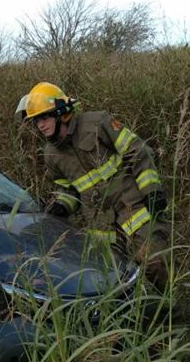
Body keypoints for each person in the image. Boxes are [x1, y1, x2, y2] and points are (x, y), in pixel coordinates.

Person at [16, 82, 170, 290]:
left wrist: (152, 191)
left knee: (155, 264)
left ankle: (172, 307)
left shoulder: (97, 123)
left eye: (44, 118)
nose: (40, 126)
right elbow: (68, 190)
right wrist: (61, 205)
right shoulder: (51, 155)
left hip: (135, 209)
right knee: (115, 281)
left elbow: (138, 151)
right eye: (36, 121)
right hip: (102, 228)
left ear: (60, 113)